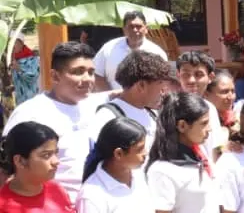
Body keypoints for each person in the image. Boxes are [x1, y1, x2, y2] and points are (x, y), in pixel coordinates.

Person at [2, 42, 99, 204]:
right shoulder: (30, 113)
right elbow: (7, 169)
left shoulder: (94, 106)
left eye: (91, 72)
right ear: (55, 76)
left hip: (94, 210)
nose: (88, 79)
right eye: (78, 72)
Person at [92, 51, 171, 154]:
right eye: (160, 83)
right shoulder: (107, 117)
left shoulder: (153, 115)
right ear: (141, 85)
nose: (164, 90)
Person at [93, 10, 168, 91]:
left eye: (138, 26)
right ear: (124, 29)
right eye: (131, 26)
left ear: (146, 29)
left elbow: (163, 82)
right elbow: (97, 74)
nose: (135, 30)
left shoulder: (156, 52)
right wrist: (111, 98)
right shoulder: (109, 48)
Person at [177, 51, 227, 153]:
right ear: (178, 76)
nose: (191, 80)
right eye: (186, 74)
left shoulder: (210, 108)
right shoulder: (171, 108)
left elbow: (215, 148)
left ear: (210, 77)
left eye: (198, 74)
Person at [9, 36, 39, 107]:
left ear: (21, 43)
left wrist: (19, 69)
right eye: (10, 44)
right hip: (19, 102)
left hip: (31, 101)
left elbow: (32, 77)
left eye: (14, 43)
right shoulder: (13, 60)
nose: (12, 46)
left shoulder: (32, 59)